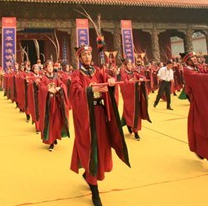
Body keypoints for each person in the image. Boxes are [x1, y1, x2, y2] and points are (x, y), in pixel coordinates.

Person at [70, 45, 130, 206]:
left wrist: (111, 83)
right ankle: (94, 191)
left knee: (101, 147)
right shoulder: (76, 74)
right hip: (88, 117)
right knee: (91, 148)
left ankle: (90, 176)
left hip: (100, 115)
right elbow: (75, 94)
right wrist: (88, 91)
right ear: (80, 58)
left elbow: (108, 82)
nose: (88, 57)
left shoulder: (98, 71)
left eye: (89, 54)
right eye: (85, 55)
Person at [38, 60, 69, 151]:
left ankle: (55, 137)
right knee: (50, 122)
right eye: (48, 67)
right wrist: (47, 90)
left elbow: (63, 84)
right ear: (46, 68)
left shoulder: (56, 77)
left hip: (56, 103)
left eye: (51, 66)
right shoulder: (44, 78)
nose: (50, 68)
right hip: (48, 104)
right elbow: (41, 86)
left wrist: (60, 88)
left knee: (56, 122)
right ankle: (51, 142)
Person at [119, 59, 151, 140]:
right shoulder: (123, 75)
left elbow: (142, 76)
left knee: (136, 114)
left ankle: (134, 129)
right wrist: (133, 83)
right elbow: (124, 85)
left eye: (130, 65)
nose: (130, 66)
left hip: (136, 98)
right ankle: (134, 130)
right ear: (125, 66)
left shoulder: (134, 73)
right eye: (128, 65)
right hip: (130, 99)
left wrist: (141, 79)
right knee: (131, 114)